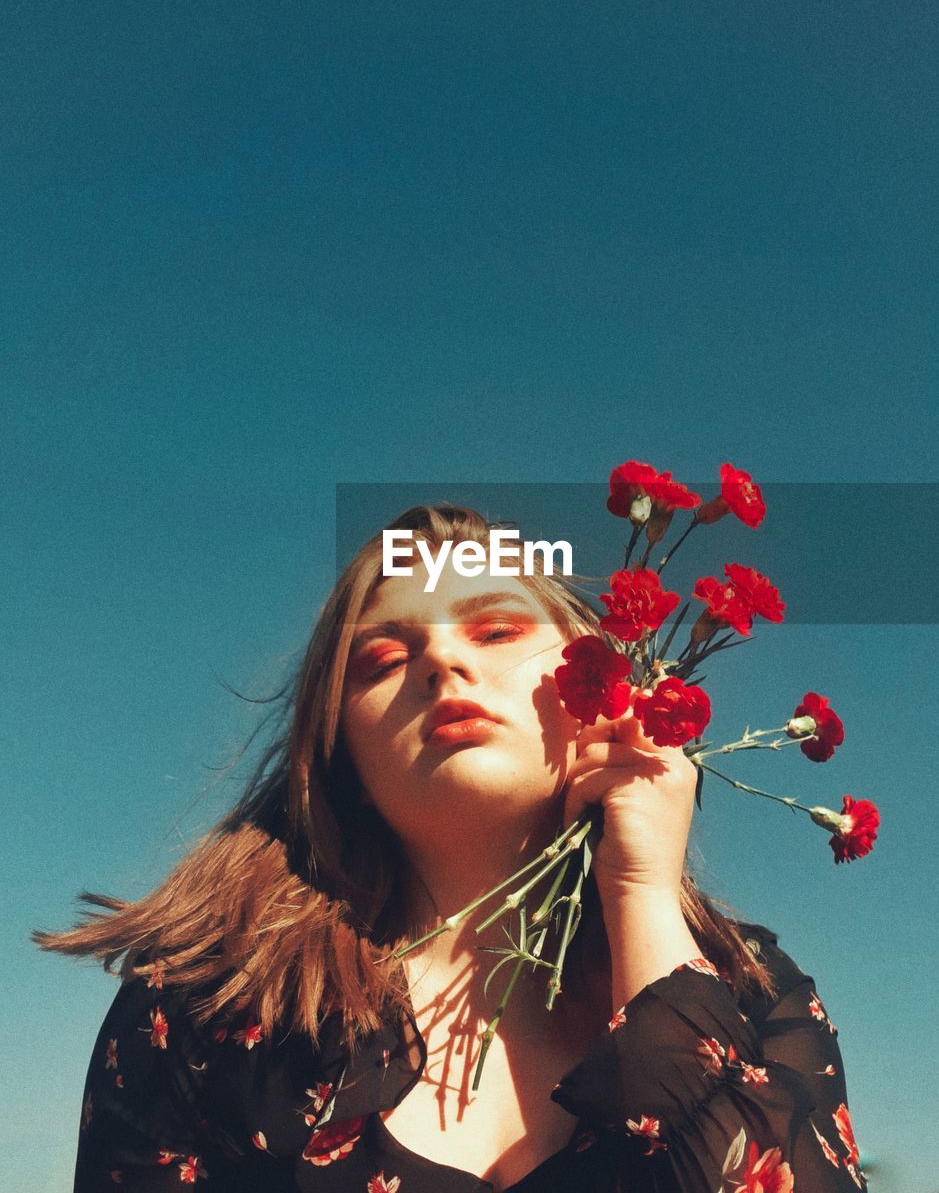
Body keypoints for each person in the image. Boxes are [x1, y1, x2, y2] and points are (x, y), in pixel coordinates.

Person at [37, 505, 867, 1192]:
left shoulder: (753, 991)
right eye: (386, 658)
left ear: (606, 690)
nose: (441, 658)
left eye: (499, 630)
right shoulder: (212, 1003)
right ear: (342, 755)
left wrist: (643, 894)